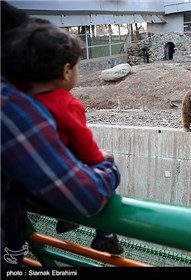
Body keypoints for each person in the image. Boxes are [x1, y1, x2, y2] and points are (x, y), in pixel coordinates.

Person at [1, 2, 121, 267]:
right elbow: (85, 152)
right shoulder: (56, 105)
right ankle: (106, 235)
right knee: (110, 174)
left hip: (21, 193)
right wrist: (105, 161)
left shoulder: (23, 95)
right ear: (67, 70)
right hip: (59, 182)